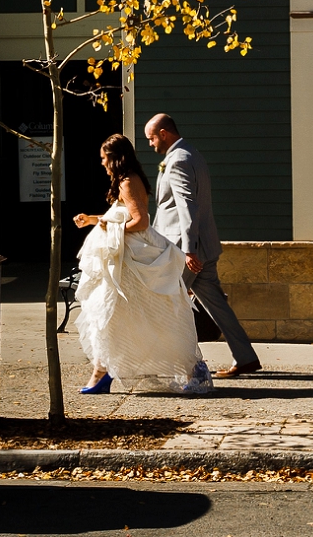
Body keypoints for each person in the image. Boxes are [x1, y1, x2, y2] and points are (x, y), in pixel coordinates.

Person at [72, 134, 213, 394]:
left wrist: (110, 229)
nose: (102, 164)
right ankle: (101, 372)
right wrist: (93, 220)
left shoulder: (127, 182)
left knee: (143, 316)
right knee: (113, 314)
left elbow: (140, 222)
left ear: (115, 159)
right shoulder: (125, 181)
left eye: (104, 159)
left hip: (134, 258)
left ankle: (193, 367)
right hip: (126, 258)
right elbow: (123, 215)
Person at [144, 113, 261, 379]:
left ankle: (181, 367)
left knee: (165, 305)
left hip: (188, 250)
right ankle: (245, 358)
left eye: (151, 138)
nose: (150, 145)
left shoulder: (178, 161)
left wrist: (189, 250)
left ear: (163, 133)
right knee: (217, 305)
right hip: (204, 246)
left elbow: (188, 206)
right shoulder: (192, 154)